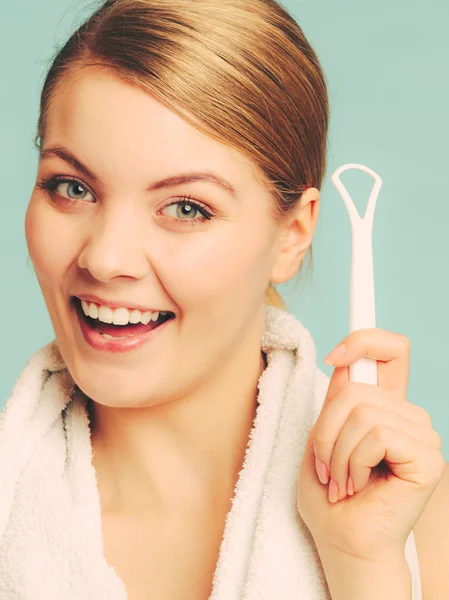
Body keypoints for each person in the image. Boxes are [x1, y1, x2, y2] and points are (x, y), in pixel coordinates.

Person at [1, 1, 448, 599]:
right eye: (72, 187)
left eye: (186, 208)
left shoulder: (413, 522)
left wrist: (361, 563)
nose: (105, 258)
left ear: (292, 235)